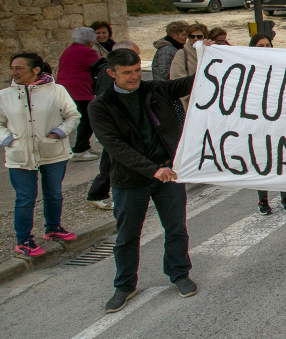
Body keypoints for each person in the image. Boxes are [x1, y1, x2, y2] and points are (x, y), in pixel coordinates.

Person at [89, 47, 203, 312]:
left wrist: (211, 54)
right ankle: (125, 286)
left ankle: (179, 274)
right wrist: (152, 169)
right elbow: (116, 147)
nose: (134, 76)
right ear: (111, 73)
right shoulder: (101, 107)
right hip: (130, 180)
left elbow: (193, 81)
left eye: (138, 70)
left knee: (175, 228)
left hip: (168, 175)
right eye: (127, 72)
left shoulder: (155, 90)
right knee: (127, 236)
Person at [0, 53, 80, 257]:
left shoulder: (57, 91)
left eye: (19, 68)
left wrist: (59, 132)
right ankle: (24, 240)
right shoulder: (5, 95)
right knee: (25, 198)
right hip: (19, 155)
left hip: (53, 151)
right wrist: (7, 139)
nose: (14, 72)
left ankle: (53, 228)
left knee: (54, 193)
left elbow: (72, 115)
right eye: (12, 68)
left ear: (35, 70)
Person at [87, 40, 140, 211]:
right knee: (111, 161)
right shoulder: (109, 76)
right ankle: (98, 193)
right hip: (114, 127)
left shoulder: (112, 74)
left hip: (120, 125)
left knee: (112, 160)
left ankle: (100, 192)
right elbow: (106, 100)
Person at [248, 35, 286, 215]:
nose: (265, 47)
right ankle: (263, 198)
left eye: (268, 44)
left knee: (282, 159)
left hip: (279, 120)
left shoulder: (281, 66)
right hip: (258, 121)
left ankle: (285, 196)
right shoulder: (250, 68)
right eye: (261, 45)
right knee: (262, 160)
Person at [58, 27, 102, 161]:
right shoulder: (87, 52)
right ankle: (79, 149)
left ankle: (85, 146)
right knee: (88, 118)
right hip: (79, 89)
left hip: (65, 88)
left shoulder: (68, 50)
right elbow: (100, 66)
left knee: (83, 117)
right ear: (90, 41)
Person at [169, 24, 208, 113]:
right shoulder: (182, 54)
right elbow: (177, 81)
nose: (195, 39)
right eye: (192, 36)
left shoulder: (209, 52)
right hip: (190, 103)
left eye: (199, 36)